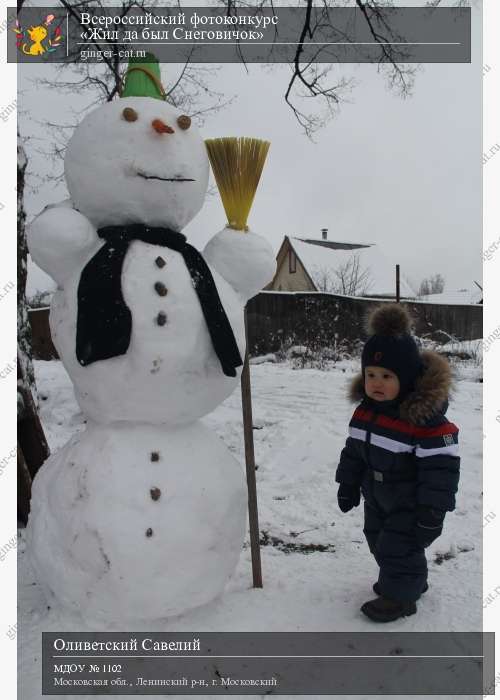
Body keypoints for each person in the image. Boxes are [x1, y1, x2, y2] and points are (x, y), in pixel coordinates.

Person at [335, 304, 460, 622]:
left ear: (405, 378)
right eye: (371, 375)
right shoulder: (366, 411)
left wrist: (432, 511)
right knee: (376, 539)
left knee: (397, 546)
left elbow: (441, 471)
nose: (376, 382)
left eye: (386, 376)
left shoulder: (425, 420)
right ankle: (408, 581)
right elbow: (354, 450)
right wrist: (348, 483)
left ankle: (400, 598)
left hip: (410, 500)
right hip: (375, 496)